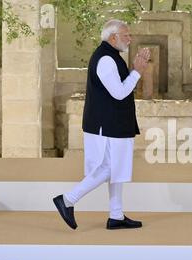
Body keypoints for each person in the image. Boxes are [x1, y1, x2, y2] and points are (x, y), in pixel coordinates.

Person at [53, 19, 150, 230]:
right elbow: (119, 93)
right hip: (108, 125)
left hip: (114, 123)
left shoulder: (111, 56)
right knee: (110, 168)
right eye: (126, 35)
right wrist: (137, 72)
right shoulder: (106, 60)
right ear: (113, 37)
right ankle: (68, 200)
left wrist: (135, 70)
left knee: (115, 169)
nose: (130, 39)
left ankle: (116, 216)